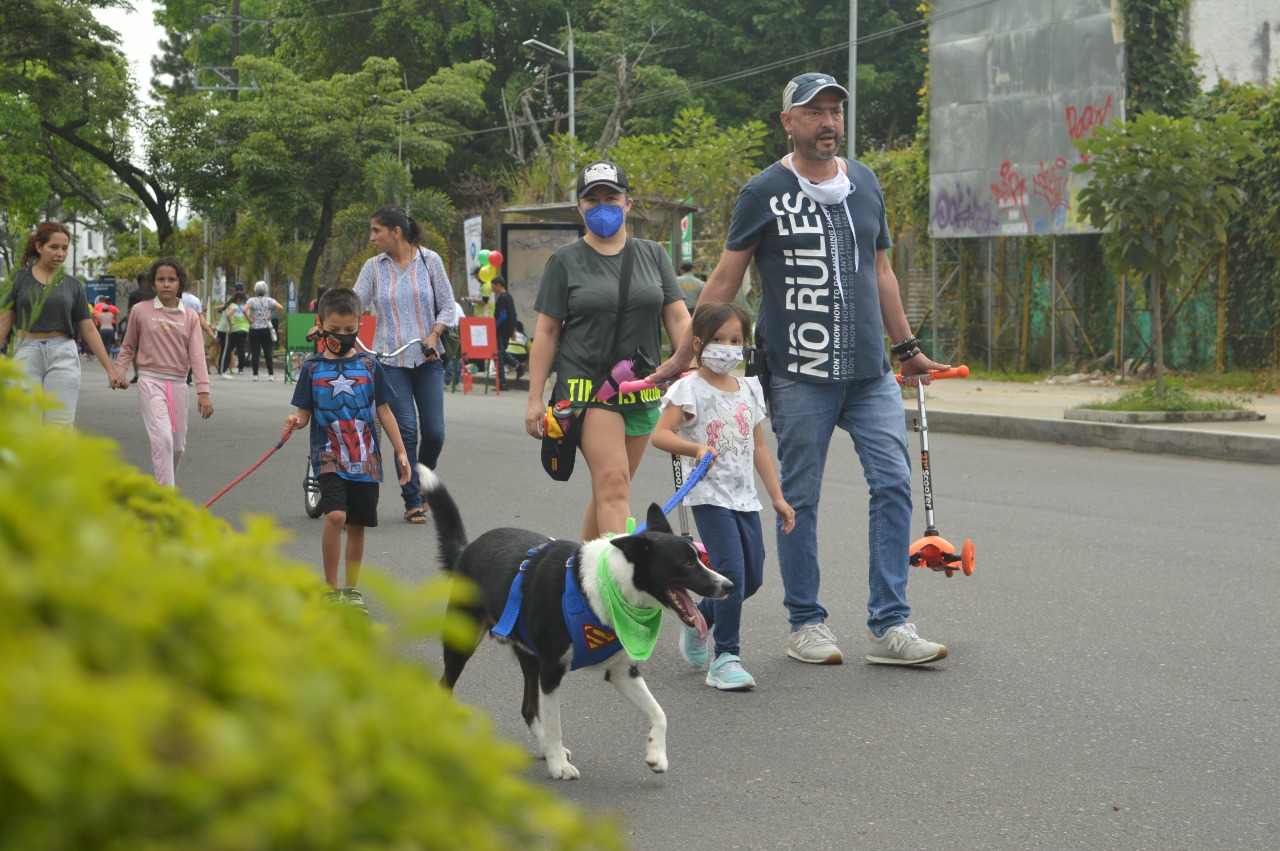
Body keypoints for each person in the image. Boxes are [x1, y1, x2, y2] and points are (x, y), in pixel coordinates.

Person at [675, 73, 951, 666]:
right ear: (789, 122)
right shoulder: (763, 192)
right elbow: (725, 279)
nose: (828, 122)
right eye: (814, 112)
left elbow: (881, 273)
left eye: (835, 111)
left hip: (870, 374)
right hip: (799, 374)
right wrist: (685, 355)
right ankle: (806, 621)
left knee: (894, 483)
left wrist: (908, 352)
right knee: (797, 497)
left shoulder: (865, 183)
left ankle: (890, 623)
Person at [522, 161, 692, 539]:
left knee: (610, 490)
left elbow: (678, 318)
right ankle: (618, 590)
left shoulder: (653, 255)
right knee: (614, 486)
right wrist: (535, 399)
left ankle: (580, 576)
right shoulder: (565, 261)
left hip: (643, 390)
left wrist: (690, 370)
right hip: (588, 391)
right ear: (579, 207)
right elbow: (547, 332)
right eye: (592, 199)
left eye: (611, 198)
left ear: (628, 203)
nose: (602, 206)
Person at [651, 301, 794, 690]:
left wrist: (777, 498)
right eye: (717, 339)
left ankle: (701, 620)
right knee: (730, 573)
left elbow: (760, 447)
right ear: (697, 343)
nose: (727, 347)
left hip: (745, 498)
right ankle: (726, 657)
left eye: (735, 340)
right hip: (710, 498)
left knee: (752, 579)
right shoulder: (688, 388)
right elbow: (660, 435)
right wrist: (695, 449)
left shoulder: (749, 388)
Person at [286, 288, 411, 611]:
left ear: (359, 326)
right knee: (336, 516)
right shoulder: (312, 369)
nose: (342, 337)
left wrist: (401, 452)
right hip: (328, 455)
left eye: (349, 330)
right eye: (335, 330)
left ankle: (351, 590)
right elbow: (303, 413)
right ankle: (331, 588)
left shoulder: (369, 366)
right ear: (321, 325)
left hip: (366, 457)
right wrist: (295, 421)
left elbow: (384, 411)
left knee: (357, 523)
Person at [353, 204, 458, 524]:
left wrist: (433, 335)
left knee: (435, 433)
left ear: (395, 232)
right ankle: (412, 498)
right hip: (390, 361)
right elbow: (353, 304)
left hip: (428, 359)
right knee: (407, 432)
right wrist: (329, 322)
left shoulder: (430, 261)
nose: (371, 237)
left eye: (376, 231)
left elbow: (448, 307)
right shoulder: (374, 267)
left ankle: (422, 480)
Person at [0, 221, 127, 424]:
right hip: (25, 355)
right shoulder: (18, 279)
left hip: (63, 355)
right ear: (39, 247)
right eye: (54, 247)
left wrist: (111, 370)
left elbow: (89, 330)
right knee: (25, 426)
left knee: (59, 427)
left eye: (65, 248)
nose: (60, 253)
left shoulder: (74, 285)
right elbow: (4, 322)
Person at [113, 257, 214, 485]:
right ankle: (167, 500)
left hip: (178, 384)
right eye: (160, 280)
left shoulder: (189, 316)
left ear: (180, 283)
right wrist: (119, 372)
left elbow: (197, 354)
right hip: (150, 382)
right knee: (164, 441)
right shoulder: (140, 310)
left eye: (171, 279)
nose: (166, 284)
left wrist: (203, 391)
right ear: (153, 283)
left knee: (177, 448)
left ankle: (163, 488)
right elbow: (128, 345)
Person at [244, 281, 283, 380]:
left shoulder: (251, 301)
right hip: (266, 328)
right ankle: (271, 374)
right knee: (267, 352)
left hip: (254, 328)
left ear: (255, 290)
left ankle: (255, 374)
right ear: (265, 291)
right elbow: (280, 307)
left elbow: (244, 310)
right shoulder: (269, 300)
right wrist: (270, 316)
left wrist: (249, 319)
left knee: (255, 352)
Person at [491, 275, 517, 388]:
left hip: (501, 331)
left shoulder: (501, 298)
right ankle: (517, 365)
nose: (492, 288)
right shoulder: (509, 296)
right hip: (508, 330)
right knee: (501, 352)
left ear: (498, 285)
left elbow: (503, 316)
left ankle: (502, 381)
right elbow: (514, 314)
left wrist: (493, 328)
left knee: (499, 355)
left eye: (493, 286)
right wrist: (514, 329)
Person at [218, 292, 250, 378]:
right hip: (225, 330)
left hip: (221, 329)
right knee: (226, 351)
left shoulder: (228, 304)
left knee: (226, 350)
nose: (242, 304)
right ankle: (223, 371)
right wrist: (231, 327)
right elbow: (228, 315)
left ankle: (222, 370)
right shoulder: (235, 306)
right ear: (238, 300)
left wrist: (217, 321)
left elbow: (216, 309)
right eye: (242, 301)